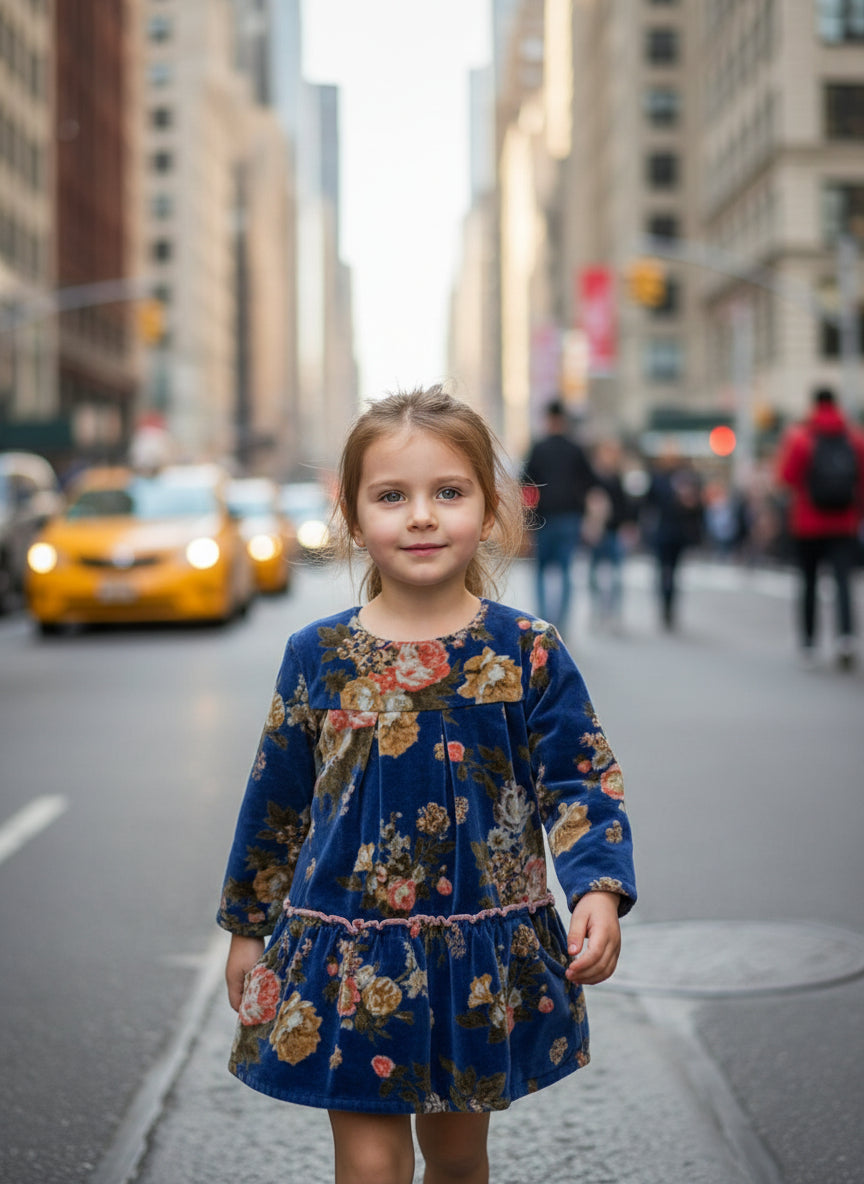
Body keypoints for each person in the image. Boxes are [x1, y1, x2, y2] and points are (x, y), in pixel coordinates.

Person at [217, 387, 636, 1184]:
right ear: (353, 516)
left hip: (472, 955)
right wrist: (247, 923)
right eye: (391, 496)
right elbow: (275, 800)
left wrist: (598, 889)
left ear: (490, 508)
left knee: (455, 1153)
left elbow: (580, 779)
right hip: (349, 946)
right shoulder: (319, 654)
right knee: (370, 1163)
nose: (420, 516)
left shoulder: (527, 650)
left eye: (448, 492)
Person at [776, 387, 864, 669]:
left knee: (809, 582)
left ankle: (809, 640)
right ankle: (846, 638)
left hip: (808, 523)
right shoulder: (854, 438)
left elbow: (786, 477)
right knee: (843, 583)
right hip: (844, 522)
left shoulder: (801, 438)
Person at [522, 399, 597, 634]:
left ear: (548, 419)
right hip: (569, 517)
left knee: (541, 571)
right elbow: (590, 483)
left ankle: (543, 620)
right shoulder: (575, 449)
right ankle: (561, 623)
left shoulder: (539, 448)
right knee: (565, 571)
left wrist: (527, 519)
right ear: (563, 420)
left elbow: (526, 485)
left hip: (544, 519)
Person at [642, 441, 705, 630]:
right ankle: (664, 604)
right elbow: (649, 502)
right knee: (663, 571)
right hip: (663, 531)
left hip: (679, 532)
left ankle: (670, 606)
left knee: (674, 572)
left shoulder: (686, 476)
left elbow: (697, 506)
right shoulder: (658, 477)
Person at [584, 439, 639, 630]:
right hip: (598, 532)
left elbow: (627, 505)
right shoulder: (592, 477)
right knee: (593, 576)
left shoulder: (619, 477)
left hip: (615, 531)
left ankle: (613, 613)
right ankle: (597, 611)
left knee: (616, 577)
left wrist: (629, 525)